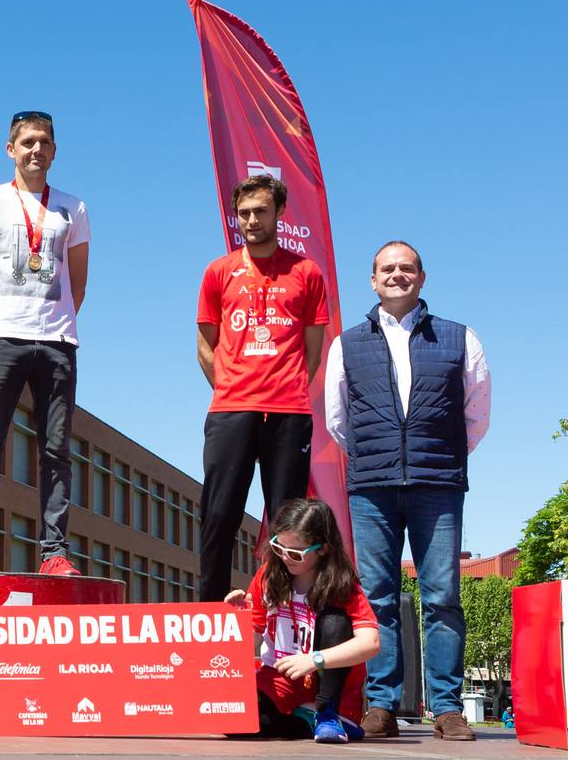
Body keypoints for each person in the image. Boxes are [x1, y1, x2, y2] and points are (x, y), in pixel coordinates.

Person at [321, 240, 490, 741]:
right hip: (371, 485)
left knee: (442, 596)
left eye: (407, 268)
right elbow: (337, 419)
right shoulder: (346, 344)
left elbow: (476, 414)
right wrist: (380, 456)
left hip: (438, 484)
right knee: (378, 597)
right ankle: (382, 705)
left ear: (421, 277)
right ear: (372, 281)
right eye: (387, 269)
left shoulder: (460, 339)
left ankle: (446, 708)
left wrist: (439, 455)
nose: (397, 275)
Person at [0, 111, 89, 574]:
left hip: (56, 343)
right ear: (10, 149)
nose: (36, 149)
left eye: (44, 142)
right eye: (27, 141)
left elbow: (78, 282)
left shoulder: (73, 207)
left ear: (54, 151)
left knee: (56, 451)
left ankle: (54, 554)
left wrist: (55, 322)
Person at [194, 174, 330, 600]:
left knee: (288, 521)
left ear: (279, 213)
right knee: (219, 513)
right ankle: (210, 610)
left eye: (260, 211)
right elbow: (204, 345)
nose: (252, 220)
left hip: (289, 413)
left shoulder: (306, 273)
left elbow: (313, 352)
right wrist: (234, 389)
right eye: (244, 213)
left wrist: (284, 388)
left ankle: (282, 610)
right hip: (231, 410)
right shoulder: (218, 271)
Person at [223, 499, 381, 743]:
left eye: (295, 553)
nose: (285, 557)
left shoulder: (342, 586)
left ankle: (327, 713)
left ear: (323, 549)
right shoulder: (267, 576)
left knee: (335, 622)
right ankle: (306, 721)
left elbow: (370, 643)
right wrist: (235, 618)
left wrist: (314, 659)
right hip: (278, 680)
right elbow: (251, 637)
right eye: (278, 547)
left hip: (327, 684)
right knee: (232, 721)